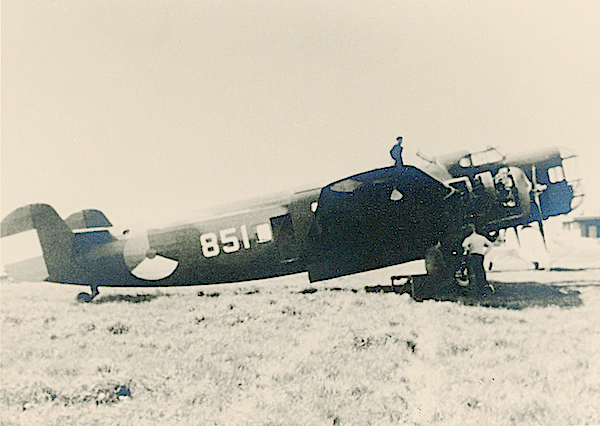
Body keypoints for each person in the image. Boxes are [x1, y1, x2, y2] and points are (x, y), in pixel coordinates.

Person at [461, 224, 494, 295]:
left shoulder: (469, 238)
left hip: (472, 255)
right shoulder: (481, 238)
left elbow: (464, 245)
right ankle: (482, 288)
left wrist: (467, 249)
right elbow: (490, 245)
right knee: (480, 271)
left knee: (471, 271)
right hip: (480, 255)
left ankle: (472, 287)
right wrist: (485, 253)